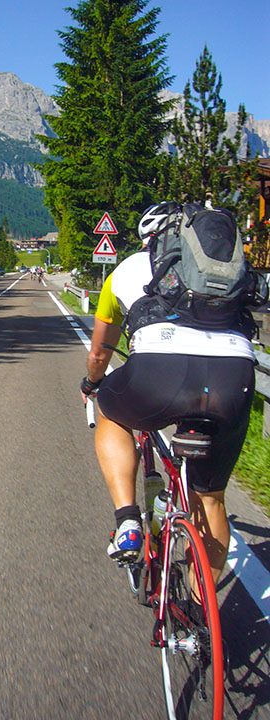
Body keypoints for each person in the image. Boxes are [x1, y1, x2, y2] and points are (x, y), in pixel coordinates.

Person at [80, 203, 257, 585]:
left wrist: (92, 384)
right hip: (234, 377)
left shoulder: (128, 268)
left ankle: (127, 520)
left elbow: (99, 353)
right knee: (210, 500)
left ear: (152, 239)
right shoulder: (228, 271)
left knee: (112, 411)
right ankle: (201, 623)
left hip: (159, 376)